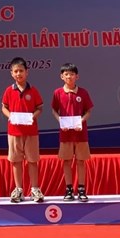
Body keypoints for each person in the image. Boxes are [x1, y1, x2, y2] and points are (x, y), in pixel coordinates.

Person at [1, 57, 44, 203]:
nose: (18, 73)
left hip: (31, 132)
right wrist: (10, 116)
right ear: (11, 73)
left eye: (21, 71)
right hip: (14, 132)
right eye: (16, 71)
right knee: (16, 161)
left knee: (32, 161)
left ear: (27, 72)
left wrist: (32, 116)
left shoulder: (33, 90)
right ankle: (19, 189)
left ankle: (35, 189)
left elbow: (39, 108)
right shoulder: (8, 90)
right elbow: (4, 108)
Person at [51, 62, 94, 202]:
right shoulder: (58, 93)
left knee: (81, 161)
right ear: (61, 76)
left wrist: (81, 121)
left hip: (81, 134)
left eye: (72, 74)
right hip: (65, 134)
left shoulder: (83, 92)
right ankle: (68, 189)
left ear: (77, 76)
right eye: (66, 74)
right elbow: (54, 110)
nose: (69, 77)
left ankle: (81, 189)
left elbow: (88, 111)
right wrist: (60, 121)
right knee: (67, 161)